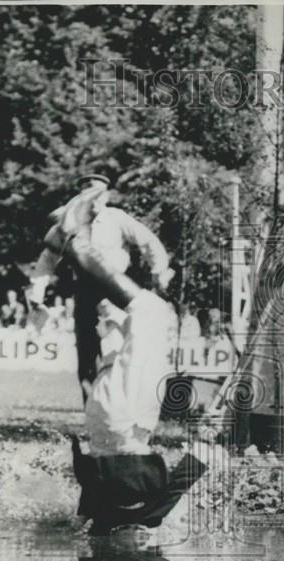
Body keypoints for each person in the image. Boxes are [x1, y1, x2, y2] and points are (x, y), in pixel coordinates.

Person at [55, 184, 203, 532]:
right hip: (99, 425)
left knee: (150, 310)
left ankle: (74, 242)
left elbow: (201, 463)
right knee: (126, 330)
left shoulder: (150, 514)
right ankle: (75, 249)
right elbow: (85, 503)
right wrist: (78, 522)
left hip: (127, 417)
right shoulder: (103, 501)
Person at [34, 172, 173, 397]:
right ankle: (92, 412)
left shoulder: (116, 219)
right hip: (84, 292)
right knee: (87, 354)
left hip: (117, 293)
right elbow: (46, 260)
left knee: (117, 347)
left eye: (99, 192)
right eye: (88, 192)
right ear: (81, 196)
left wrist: (159, 272)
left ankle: (120, 407)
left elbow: (148, 241)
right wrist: (37, 295)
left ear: (106, 195)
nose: (94, 198)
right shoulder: (68, 226)